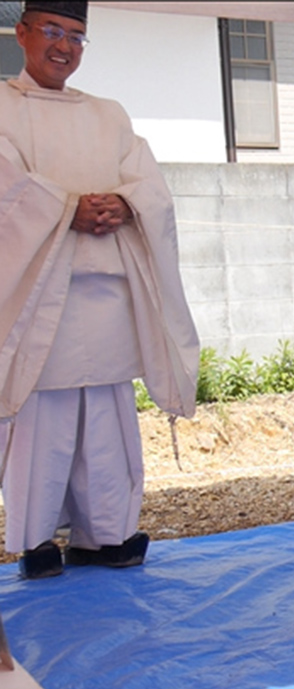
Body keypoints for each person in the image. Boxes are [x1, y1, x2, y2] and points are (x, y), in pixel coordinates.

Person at [0, 1, 199, 579]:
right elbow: (8, 188)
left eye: (78, 38)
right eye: (54, 32)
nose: (64, 47)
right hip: (41, 297)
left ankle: (106, 533)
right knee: (44, 419)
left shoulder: (109, 114)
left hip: (105, 291)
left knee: (109, 417)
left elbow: (149, 184)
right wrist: (66, 209)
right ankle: (36, 540)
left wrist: (125, 201)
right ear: (23, 34)